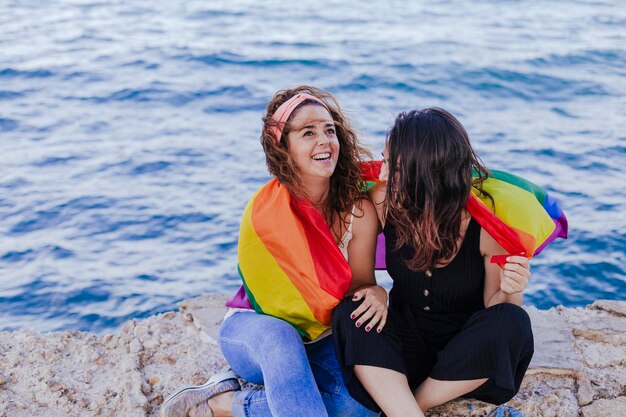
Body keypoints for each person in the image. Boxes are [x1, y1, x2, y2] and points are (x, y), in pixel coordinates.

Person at [161, 86, 387, 417]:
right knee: (282, 340)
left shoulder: (359, 211)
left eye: (329, 130)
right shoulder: (268, 210)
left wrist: (377, 293)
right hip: (255, 332)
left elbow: (360, 286)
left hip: (321, 339)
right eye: (308, 133)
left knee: (360, 405)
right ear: (284, 148)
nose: (324, 140)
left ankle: (227, 403)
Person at [333, 108, 534, 417]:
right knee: (351, 311)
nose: (383, 175)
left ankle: (410, 405)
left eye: (394, 166)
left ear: (426, 172)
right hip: (404, 347)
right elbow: (360, 282)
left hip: (461, 364)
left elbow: (497, 310)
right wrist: (376, 291)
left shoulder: (485, 224)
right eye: (385, 160)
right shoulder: (382, 202)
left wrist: (511, 289)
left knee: (513, 319)